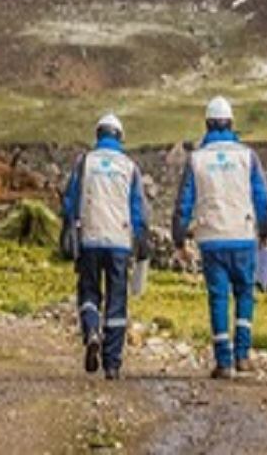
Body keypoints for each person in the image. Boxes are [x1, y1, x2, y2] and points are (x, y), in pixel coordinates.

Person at [170, 96, 267, 379]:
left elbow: (183, 203)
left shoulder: (197, 159)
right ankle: (242, 355)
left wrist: (179, 239)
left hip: (210, 237)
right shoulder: (247, 157)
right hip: (242, 235)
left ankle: (223, 362)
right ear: (231, 123)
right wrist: (264, 231)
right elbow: (262, 198)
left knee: (218, 297)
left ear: (207, 124)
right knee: (244, 293)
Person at [60, 112, 151, 380]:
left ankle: (91, 331)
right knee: (117, 301)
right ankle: (112, 364)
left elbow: (70, 201)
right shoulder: (129, 166)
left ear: (98, 135)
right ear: (120, 137)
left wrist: (71, 228)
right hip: (120, 242)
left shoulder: (84, 163)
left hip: (89, 238)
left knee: (88, 291)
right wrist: (140, 240)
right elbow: (139, 211)